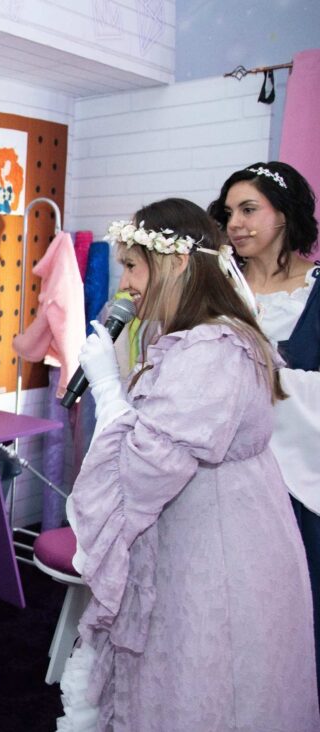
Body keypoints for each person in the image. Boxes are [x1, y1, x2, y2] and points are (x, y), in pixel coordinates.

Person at [59, 198, 318, 730]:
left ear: (177, 263)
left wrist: (107, 386)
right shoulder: (185, 338)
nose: (125, 283)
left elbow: (142, 468)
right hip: (200, 534)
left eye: (133, 266)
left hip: (219, 554)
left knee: (209, 684)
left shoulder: (214, 349)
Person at [208, 161, 320, 696]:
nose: (235, 223)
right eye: (229, 212)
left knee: (292, 610)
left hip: (297, 484)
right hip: (223, 482)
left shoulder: (316, 292)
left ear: (285, 215)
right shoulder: (218, 289)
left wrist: (271, 376)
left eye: (249, 209)